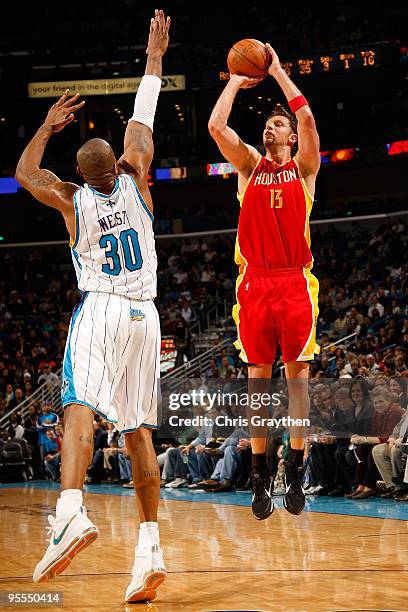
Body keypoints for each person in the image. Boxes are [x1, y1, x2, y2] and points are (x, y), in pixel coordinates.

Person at [15, 9, 171, 603]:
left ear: (81, 175)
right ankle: (150, 550)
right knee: (137, 433)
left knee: (78, 402)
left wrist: (50, 125)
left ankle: (71, 510)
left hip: (103, 309)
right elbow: (143, 113)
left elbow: (26, 171)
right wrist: (154, 58)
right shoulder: (139, 175)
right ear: (120, 165)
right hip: (147, 317)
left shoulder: (71, 200)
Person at [208, 43, 321, 519]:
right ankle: (258, 481)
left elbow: (310, 120)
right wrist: (236, 79)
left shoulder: (304, 169)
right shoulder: (250, 166)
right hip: (254, 283)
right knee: (258, 383)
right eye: (269, 123)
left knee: (297, 383)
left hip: (295, 283)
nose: (271, 126)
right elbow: (217, 127)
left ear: (292, 138)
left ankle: (294, 471)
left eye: (279, 125)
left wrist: (276, 72)